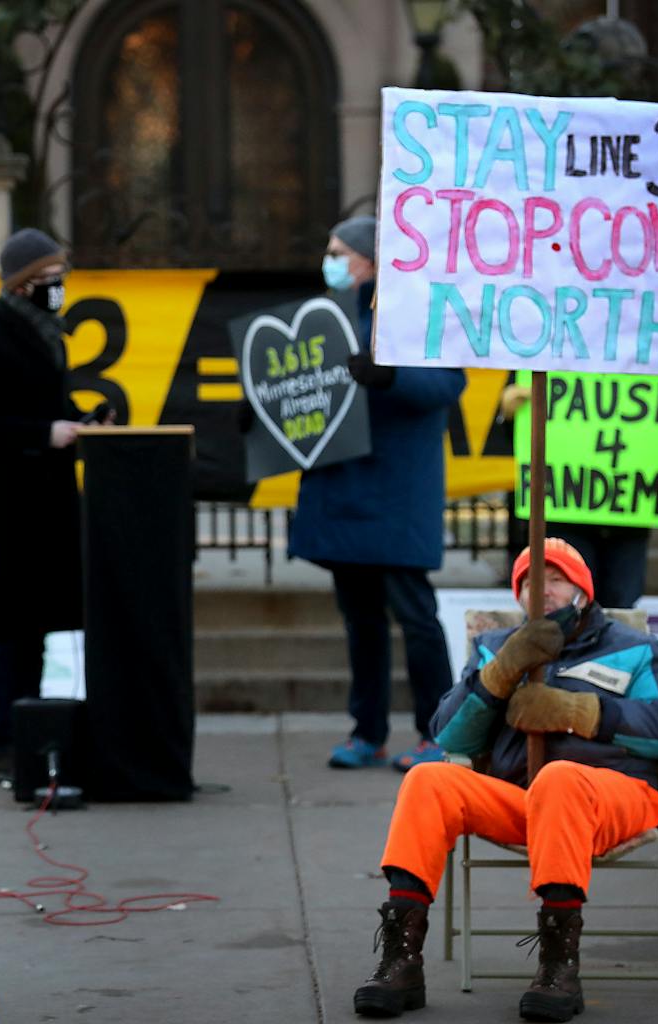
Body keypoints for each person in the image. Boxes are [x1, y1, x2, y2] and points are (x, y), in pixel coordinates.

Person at [352, 538, 658, 1022]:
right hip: (524, 798)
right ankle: (401, 962)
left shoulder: (637, 648)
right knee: (429, 778)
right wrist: (498, 678)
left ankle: (559, 968)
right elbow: (449, 736)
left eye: (557, 579)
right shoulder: (495, 647)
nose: (544, 590)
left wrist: (584, 712)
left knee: (560, 778)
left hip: (616, 796)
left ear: (584, 590)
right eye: (531, 581)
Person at [289, 216, 467, 773]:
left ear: (370, 260)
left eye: (341, 252)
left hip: (394, 491)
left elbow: (446, 383)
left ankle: (437, 733)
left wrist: (390, 376)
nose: (331, 260)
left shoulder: (412, 311)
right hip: (345, 488)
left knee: (415, 617)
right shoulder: (326, 314)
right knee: (359, 620)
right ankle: (367, 732)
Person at [0, 228, 108, 778]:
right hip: (17, 503)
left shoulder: (49, 336)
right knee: (12, 628)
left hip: (54, 502)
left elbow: (51, 405)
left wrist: (82, 424)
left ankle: (30, 733)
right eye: (47, 280)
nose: (58, 288)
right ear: (21, 285)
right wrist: (46, 433)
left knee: (38, 624)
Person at [497, 383, 658, 608]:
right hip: (566, 517)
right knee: (567, 606)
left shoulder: (656, 366)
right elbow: (516, 442)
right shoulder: (554, 356)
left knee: (621, 602)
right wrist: (508, 416)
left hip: (628, 518)